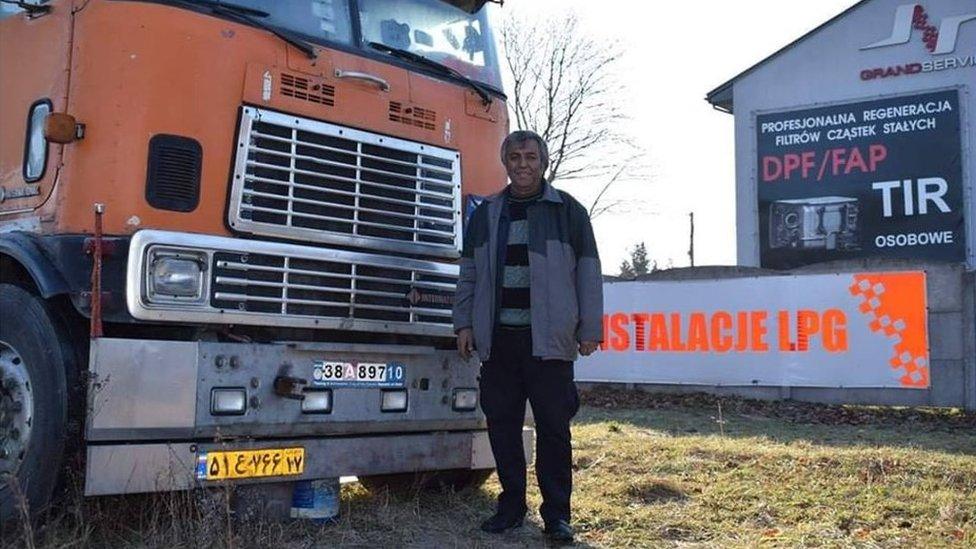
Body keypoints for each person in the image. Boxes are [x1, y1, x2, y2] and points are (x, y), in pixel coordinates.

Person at [452, 130, 603, 543]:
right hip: (499, 342)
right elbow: (469, 273)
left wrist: (590, 328)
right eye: (515, 157)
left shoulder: (568, 212)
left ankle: (557, 516)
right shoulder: (486, 214)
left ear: (544, 162)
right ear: (506, 162)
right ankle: (511, 506)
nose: (523, 164)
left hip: (550, 344)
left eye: (531, 157)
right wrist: (464, 322)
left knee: (555, 429)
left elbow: (588, 271)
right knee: (502, 426)